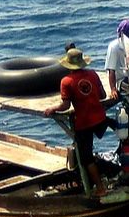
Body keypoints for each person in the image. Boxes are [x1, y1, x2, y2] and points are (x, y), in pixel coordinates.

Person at [44, 47, 112, 197]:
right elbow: (102, 95)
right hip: (101, 118)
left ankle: (100, 188)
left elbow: (66, 105)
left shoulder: (66, 81)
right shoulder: (93, 74)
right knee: (114, 125)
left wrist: (52, 109)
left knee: (86, 158)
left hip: (84, 123)